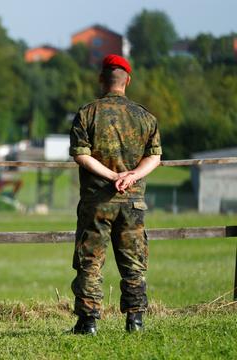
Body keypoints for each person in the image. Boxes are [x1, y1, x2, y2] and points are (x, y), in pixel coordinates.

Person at [68, 54, 162, 335]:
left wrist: (111, 177)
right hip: (133, 202)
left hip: (97, 202)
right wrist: (131, 176)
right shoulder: (145, 116)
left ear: (101, 79)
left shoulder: (87, 113)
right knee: (134, 263)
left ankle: (88, 323)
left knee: (90, 263)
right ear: (127, 81)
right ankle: (135, 321)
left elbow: (81, 156)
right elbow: (154, 157)